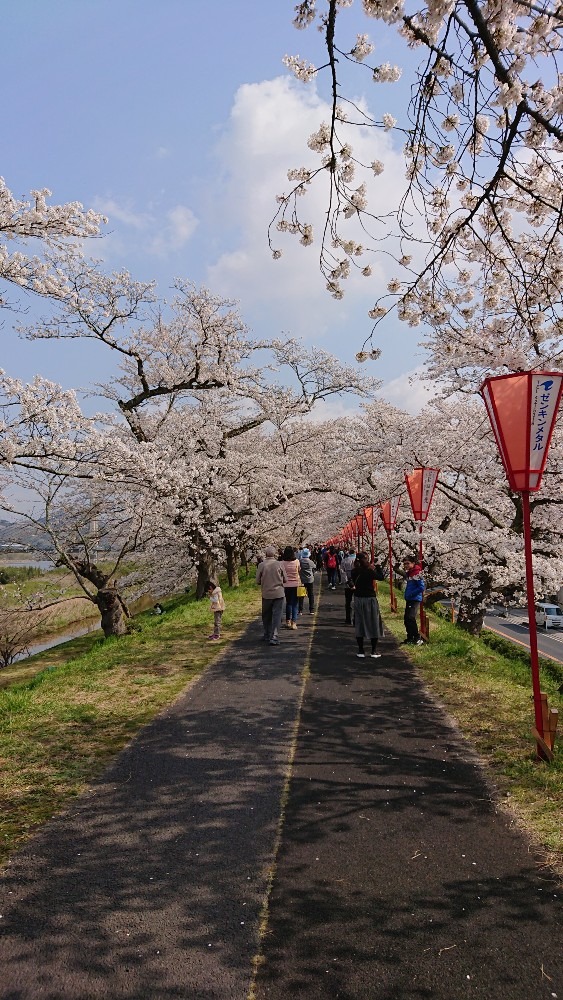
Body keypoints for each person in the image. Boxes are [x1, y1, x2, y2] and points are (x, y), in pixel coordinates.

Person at [350, 552, 383, 658]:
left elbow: (352, 582)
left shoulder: (354, 571)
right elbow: (381, 577)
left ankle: (360, 651)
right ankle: (374, 651)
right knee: (374, 623)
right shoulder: (370, 571)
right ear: (366, 559)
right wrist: (378, 567)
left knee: (360, 623)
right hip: (370, 599)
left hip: (358, 599)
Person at [256, 546, 288, 645]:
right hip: (279, 593)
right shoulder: (279, 564)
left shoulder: (261, 565)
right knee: (277, 615)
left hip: (266, 594)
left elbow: (257, 581)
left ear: (265, 554)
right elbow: (285, 579)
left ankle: (267, 634)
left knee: (266, 615)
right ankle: (274, 636)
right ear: (275, 554)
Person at [402, 556, 425, 645]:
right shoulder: (410, 573)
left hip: (415, 599)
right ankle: (410, 637)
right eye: (404, 564)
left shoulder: (417, 573)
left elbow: (421, 587)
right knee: (406, 618)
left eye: (407, 563)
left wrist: (411, 594)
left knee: (410, 617)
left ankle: (417, 638)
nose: (406, 565)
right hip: (410, 598)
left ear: (413, 563)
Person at [281, 544, 301, 628]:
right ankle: (294, 622)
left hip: (286, 585)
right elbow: (299, 570)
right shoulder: (296, 561)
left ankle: (288, 621)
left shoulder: (282, 563)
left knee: (288, 603)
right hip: (296, 584)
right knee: (295, 604)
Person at [341, 549, 357, 625]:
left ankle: (348, 619)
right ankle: (355, 619)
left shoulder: (344, 560)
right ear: (355, 553)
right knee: (356, 601)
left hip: (347, 584)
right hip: (356, 583)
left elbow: (342, 572)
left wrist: (347, 581)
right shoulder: (357, 561)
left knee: (348, 602)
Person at [298, 547, 316, 614]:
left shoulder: (300, 561)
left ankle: (300, 610)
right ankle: (311, 610)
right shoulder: (310, 562)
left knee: (301, 595)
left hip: (302, 580)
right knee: (310, 594)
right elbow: (314, 567)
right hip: (310, 580)